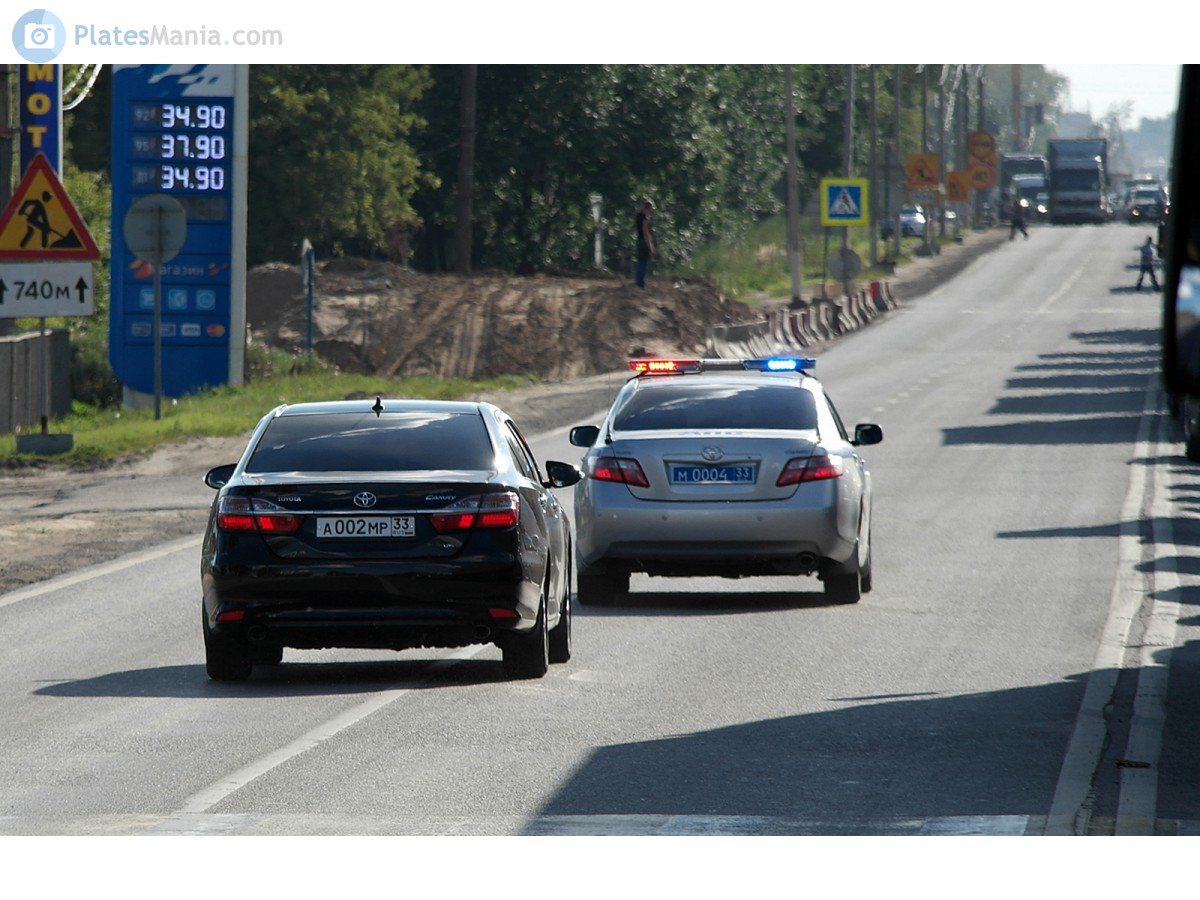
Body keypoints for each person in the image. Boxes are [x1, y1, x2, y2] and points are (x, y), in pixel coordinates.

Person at [634, 199, 655, 288]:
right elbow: (646, 233)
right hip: (644, 241)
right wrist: (650, 246)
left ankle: (639, 281)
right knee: (644, 262)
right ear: (648, 208)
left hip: (639, 240)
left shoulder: (638, 216)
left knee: (640, 262)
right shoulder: (645, 218)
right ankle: (641, 283)